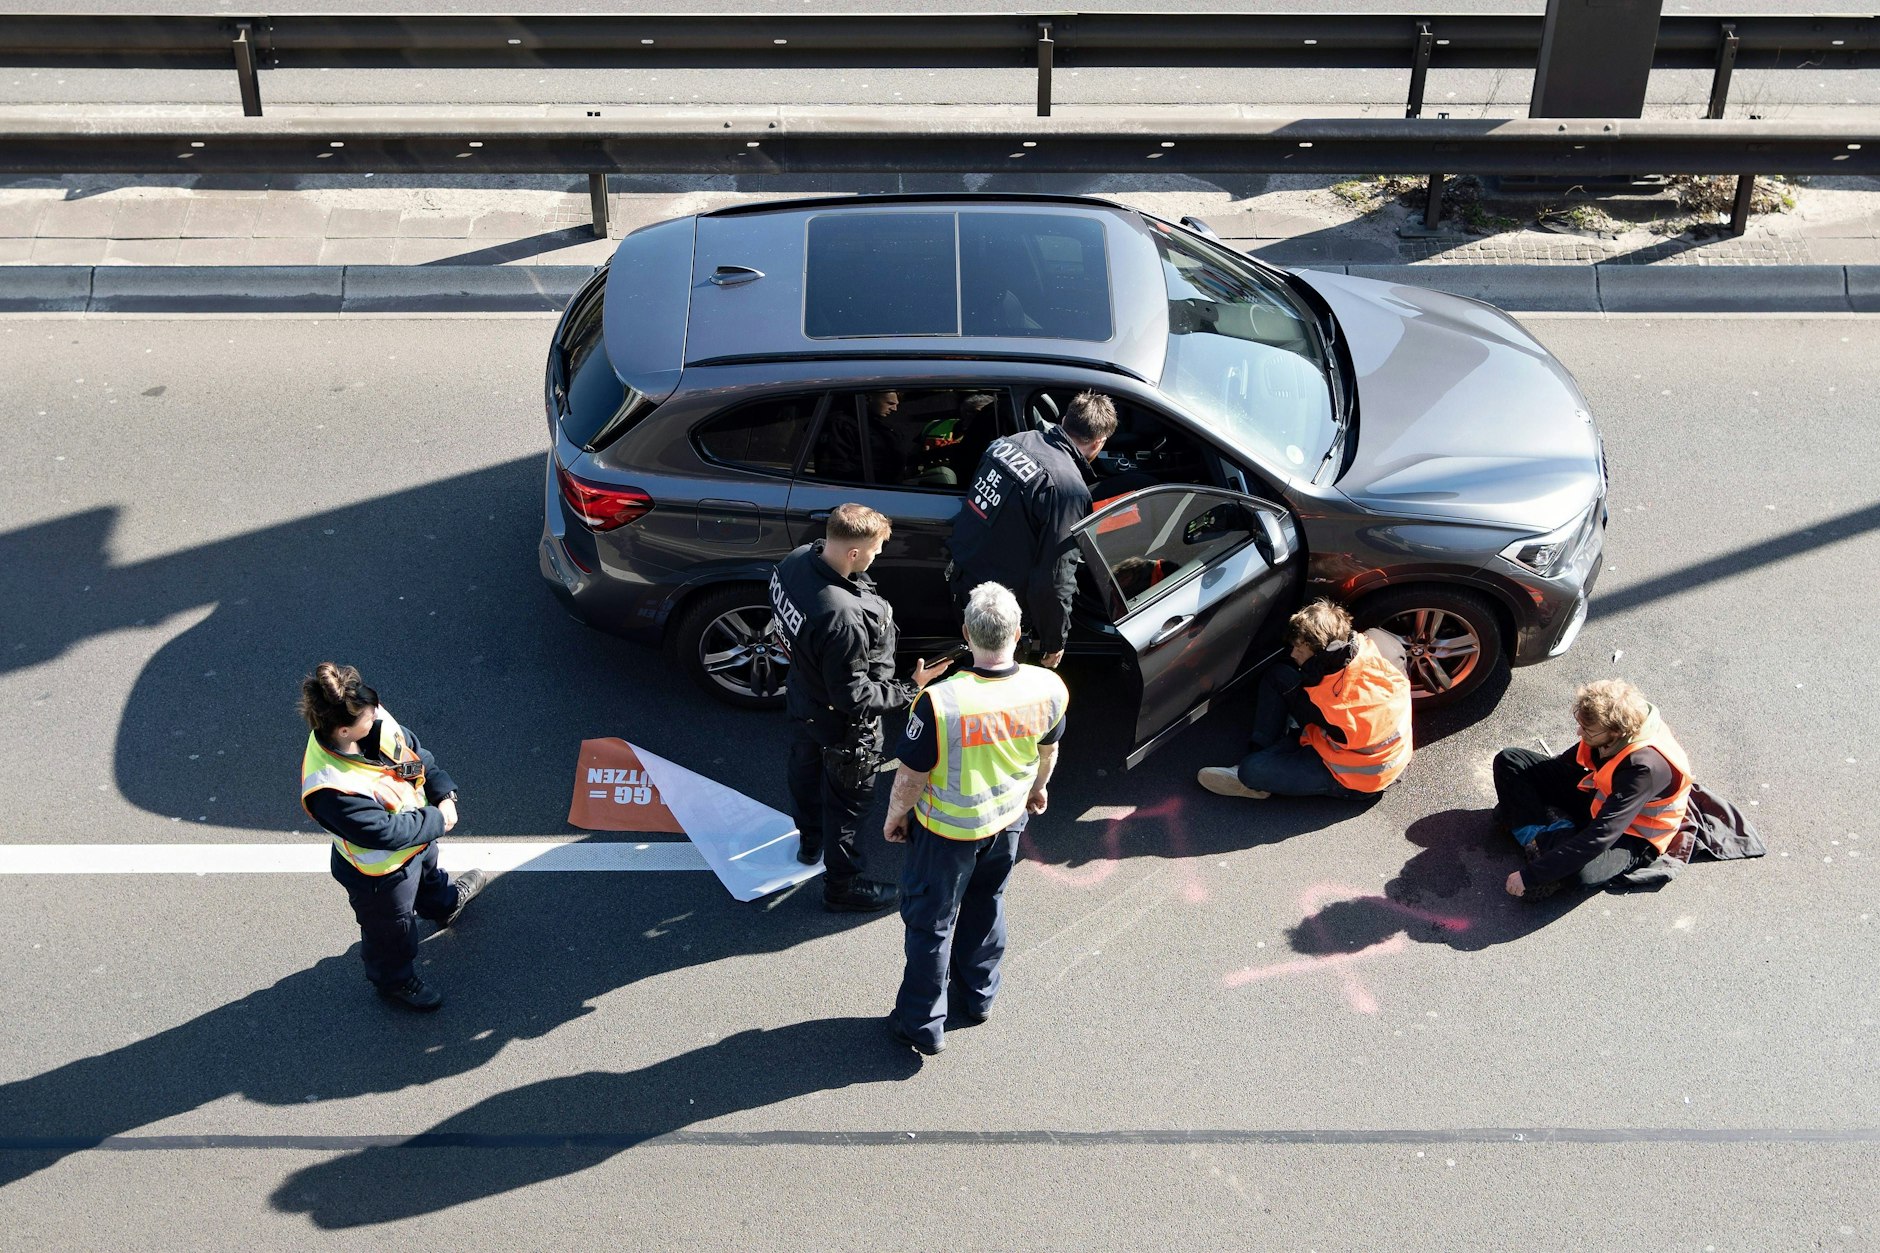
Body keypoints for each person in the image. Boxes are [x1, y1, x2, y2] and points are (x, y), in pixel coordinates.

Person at [881, 582, 1069, 1056]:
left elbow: (910, 775)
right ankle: (980, 996)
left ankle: (922, 1023)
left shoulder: (941, 701)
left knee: (932, 923)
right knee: (987, 904)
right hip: (1008, 822)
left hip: (947, 833)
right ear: (1019, 633)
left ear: (966, 633)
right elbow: (1048, 752)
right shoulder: (1049, 687)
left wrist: (896, 817)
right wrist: (1038, 789)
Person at [772, 503, 952, 912]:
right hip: (845, 727)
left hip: (803, 697)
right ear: (853, 552)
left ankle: (809, 842)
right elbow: (853, 696)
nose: (878, 557)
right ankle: (843, 888)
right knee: (847, 806)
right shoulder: (844, 617)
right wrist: (911, 688)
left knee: (803, 769)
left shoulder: (797, 560)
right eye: (875, 550)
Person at [298, 663, 486, 1012]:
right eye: (369, 718)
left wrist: (442, 790)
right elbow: (384, 832)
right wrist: (438, 819)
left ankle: (443, 905)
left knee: (431, 880)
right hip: (380, 875)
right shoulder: (331, 788)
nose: (378, 717)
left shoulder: (367, 713)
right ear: (344, 731)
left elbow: (413, 755)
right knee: (391, 933)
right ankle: (394, 980)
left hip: (416, 844)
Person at [946, 390, 1118, 668]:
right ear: (1099, 442)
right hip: (999, 609)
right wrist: (1054, 641)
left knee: (974, 665)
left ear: (1064, 420)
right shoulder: (1069, 490)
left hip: (964, 579)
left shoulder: (1008, 443)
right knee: (997, 682)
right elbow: (1054, 579)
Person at [1494, 679, 1694, 901]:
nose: (1579, 732)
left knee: (1581, 874)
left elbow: (1602, 833)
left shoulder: (1644, 768)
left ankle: (1544, 838)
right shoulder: (1618, 724)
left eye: (1587, 730)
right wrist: (1542, 783)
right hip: (1599, 794)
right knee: (1510, 761)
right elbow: (1570, 762)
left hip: (1632, 833)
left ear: (1617, 732)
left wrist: (1531, 875)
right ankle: (1546, 838)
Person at [1196, 599, 1413, 800]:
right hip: (1364, 738)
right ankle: (1266, 754)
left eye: (1300, 649)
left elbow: (1316, 712)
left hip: (1357, 775)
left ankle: (1256, 776)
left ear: (1322, 654)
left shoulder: (1338, 707)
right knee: (1279, 675)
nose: (1294, 654)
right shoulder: (1377, 643)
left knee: (1251, 771)